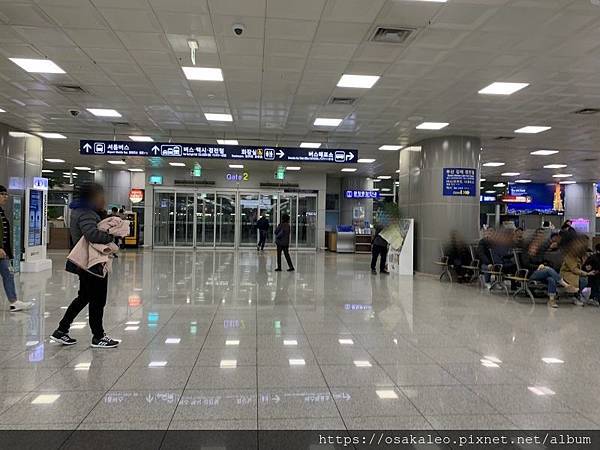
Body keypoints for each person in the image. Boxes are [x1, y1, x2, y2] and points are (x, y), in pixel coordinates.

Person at [51, 183, 120, 348]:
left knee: (84, 297)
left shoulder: (82, 211)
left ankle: (61, 330)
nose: (103, 199)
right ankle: (98, 336)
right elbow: (92, 234)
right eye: (100, 196)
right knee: (97, 299)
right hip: (92, 262)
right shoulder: (86, 213)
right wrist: (112, 236)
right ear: (92, 197)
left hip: (87, 262)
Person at [522, 229, 574, 308]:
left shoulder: (540, 249)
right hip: (531, 272)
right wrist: (538, 266)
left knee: (551, 279)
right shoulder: (527, 248)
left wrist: (544, 264)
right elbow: (525, 264)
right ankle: (565, 285)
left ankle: (551, 300)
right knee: (549, 270)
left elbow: (544, 260)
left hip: (542, 271)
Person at [0, 185, 32, 312]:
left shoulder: (1, 212)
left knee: (8, 274)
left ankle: (14, 302)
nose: (5, 197)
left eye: (6, 194)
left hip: (3, 253)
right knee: (8, 274)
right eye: (2, 194)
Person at [560, 235, 595, 306]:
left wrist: (588, 268)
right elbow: (574, 269)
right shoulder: (570, 254)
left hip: (578, 272)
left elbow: (583, 265)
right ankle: (575, 296)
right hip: (567, 273)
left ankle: (593, 297)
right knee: (582, 279)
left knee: (594, 278)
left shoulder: (584, 254)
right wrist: (586, 273)